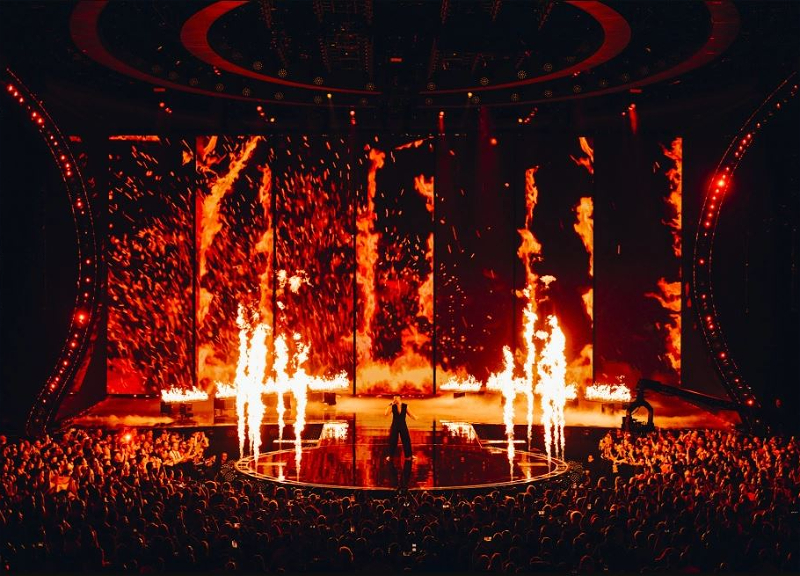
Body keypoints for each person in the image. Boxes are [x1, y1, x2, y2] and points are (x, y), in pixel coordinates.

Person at [384, 395, 417, 460]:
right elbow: (386, 414)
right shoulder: (392, 406)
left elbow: (411, 414)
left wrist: (416, 417)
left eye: (396, 398)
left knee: (406, 440)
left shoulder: (405, 406)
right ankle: (390, 456)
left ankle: (409, 455)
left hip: (403, 425)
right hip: (395, 425)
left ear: (399, 398)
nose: (395, 400)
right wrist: (390, 405)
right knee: (393, 440)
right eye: (394, 399)